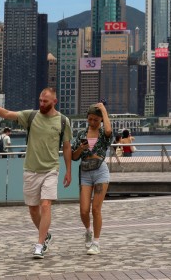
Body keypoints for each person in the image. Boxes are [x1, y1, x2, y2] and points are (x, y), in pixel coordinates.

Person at [0, 87, 73, 260]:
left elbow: (67, 147)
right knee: (33, 209)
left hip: (51, 169)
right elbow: (8, 114)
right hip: (30, 169)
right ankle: (46, 235)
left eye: (45, 101)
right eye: (40, 100)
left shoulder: (63, 121)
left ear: (55, 101)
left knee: (45, 205)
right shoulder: (31, 116)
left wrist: (68, 171)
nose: (42, 104)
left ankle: (39, 245)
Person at [71, 102, 112, 255]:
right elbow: (74, 157)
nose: (93, 122)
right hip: (85, 173)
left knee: (96, 209)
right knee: (83, 210)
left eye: (96, 119)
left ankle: (96, 242)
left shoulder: (103, 133)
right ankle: (88, 230)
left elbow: (109, 130)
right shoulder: (81, 134)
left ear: (101, 120)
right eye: (90, 119)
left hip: (100, 171)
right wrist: (81, 148)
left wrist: (104, 110)